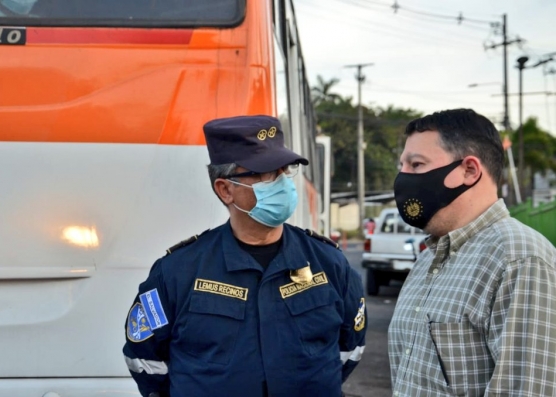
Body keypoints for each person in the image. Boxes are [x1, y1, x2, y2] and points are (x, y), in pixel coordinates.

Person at [122, 115, 367, 397]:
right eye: (264, 173)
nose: (281, 183)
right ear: (225, 190)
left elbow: (349, 350)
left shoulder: (329, 263)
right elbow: (144, 359)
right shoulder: (177, 271)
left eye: (284, 170)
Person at [388, 108, 556, 396]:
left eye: (416, 165)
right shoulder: (429, 256)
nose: (402, 177)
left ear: (469, 171)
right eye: (402, 165)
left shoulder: (519, 259)